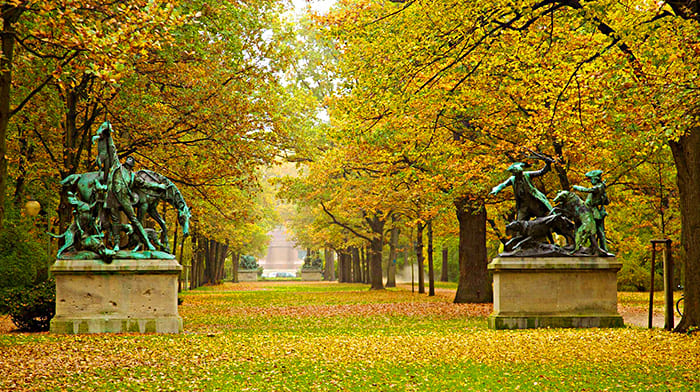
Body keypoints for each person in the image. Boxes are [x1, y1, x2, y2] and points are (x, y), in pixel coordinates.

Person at [573, 170, 609, 252]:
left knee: (598, 230)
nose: (591, 181)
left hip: (592, 211)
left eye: (591, 179)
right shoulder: (600, 186)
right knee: (597, 230)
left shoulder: (598, 187)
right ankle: (596, 247)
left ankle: (603, 249)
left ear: (595, 179)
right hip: (590, 209)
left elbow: (587, 190)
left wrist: (577, 187)